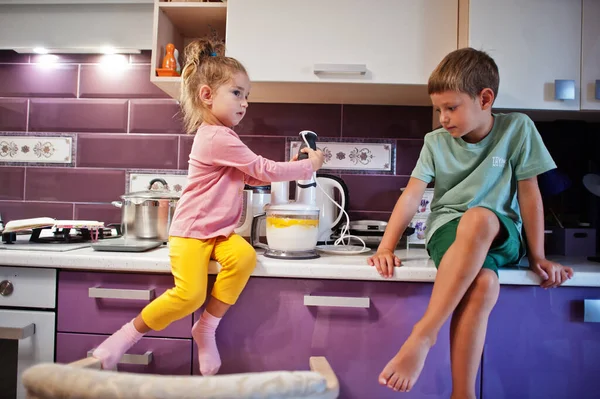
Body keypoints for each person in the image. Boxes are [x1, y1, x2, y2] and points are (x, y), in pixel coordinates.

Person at [92, 38, 325, 375]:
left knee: (243, 257)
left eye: (248, 96)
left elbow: (253, 178)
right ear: (206, 95)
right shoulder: (217, 136)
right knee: (188, 296)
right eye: (237, 93)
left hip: (216, 234)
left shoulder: (223, 137)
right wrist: (308, 167)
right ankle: (122, 340)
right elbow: (262, 169)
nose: (245, 103)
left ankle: (206, 327)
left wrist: (287, 166)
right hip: (190, 234)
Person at [367, 47, 574, 398]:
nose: (443, 118)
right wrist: (386, 245)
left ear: (485, 98)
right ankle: (463, 394)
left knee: (480, 218)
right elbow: (411, 196)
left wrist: (538, 255)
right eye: (439, 110)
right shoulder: (435, 142)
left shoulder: (518, 128)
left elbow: (530, 195)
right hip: (449, 229)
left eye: (451, 107)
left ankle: (423, 334)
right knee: (484, 284)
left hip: (501, 231)